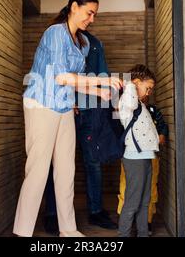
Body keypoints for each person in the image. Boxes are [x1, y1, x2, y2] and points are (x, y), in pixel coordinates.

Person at [13, 0, 123, 237]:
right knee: (38, 170)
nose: (91, 19)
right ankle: (22, 232)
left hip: (64, 107)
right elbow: (61, 76)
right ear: (74, 6)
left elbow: (73, 82)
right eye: (89, 13)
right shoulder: (55, 33)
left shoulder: (81, 43)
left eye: (94, 15)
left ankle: (68, 229)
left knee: (66, 171)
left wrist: (98, 93)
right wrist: (103, 83)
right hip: (41, 104)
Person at [43, 30, 118, 235]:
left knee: (93, 162)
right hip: (63, 106)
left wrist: (106, 105)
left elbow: (102, 75)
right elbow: (54, 74)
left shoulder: (94, 42)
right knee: (56, 163)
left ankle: (96, 211)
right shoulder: (59, 39)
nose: (89, 19)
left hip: (90, 109)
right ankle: (52, 213)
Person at [117, 65, 160, 237]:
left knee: (144, 202)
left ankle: (143, 233)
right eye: (147, 88)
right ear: (136, 83)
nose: (149, 92)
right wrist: (130, 85)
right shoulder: (128, 103)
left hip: (146, 157)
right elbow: (131, 101)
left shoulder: (141, 106)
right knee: (132, 202)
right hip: (135, 158)